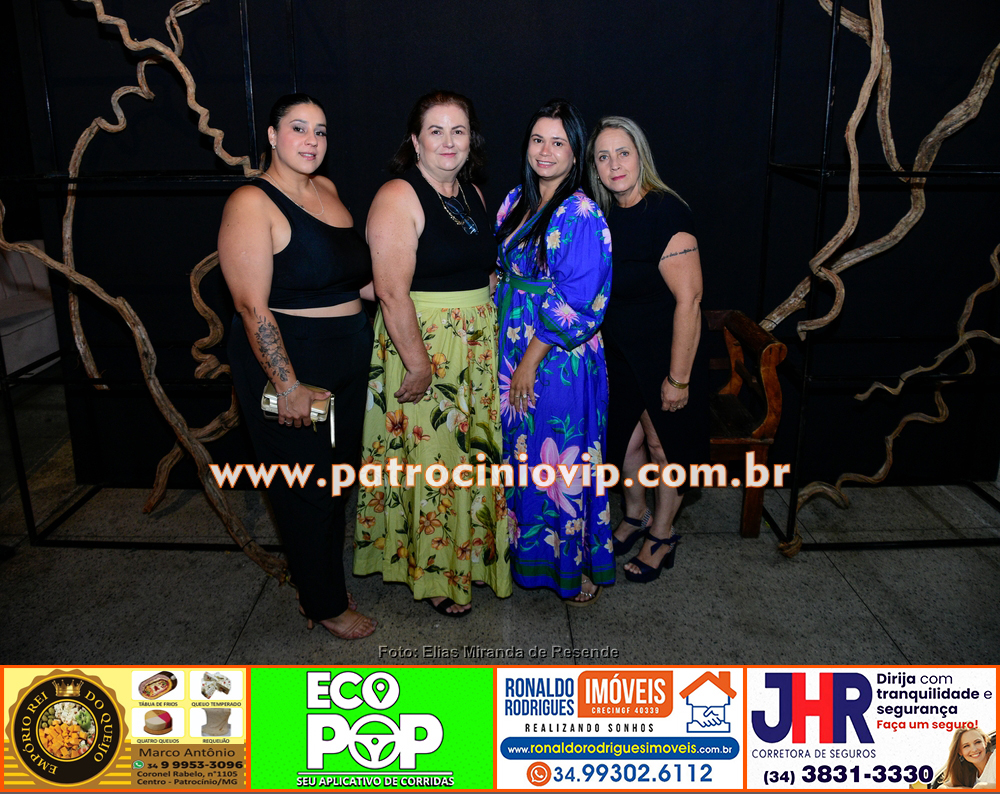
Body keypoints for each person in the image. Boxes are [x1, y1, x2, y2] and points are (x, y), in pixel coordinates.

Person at [219, 93, 377, 639]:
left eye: (321, 130)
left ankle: (320, 579)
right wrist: (286, 384)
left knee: (336, 480)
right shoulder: (251, 201)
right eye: (298, 128)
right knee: (304, 488)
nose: (312, 140)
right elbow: (250, 306)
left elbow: (355, 279)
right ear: (271, 135)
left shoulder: (327, 190)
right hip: (294, 359)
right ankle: (324, 603)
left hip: (348, 353)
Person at [354, 91, 510, 617]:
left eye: (458, 131)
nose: (448, 142)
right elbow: (389, 290)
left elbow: (480, 269)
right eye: (436, 131)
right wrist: (419, 364)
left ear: (471, 140)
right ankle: (435, 572)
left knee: (471, 457)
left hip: (473, 346)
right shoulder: (398, 195)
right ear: (415, 142)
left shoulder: (473, 194)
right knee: (433, 460)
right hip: (425, 346)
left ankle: (471, 555)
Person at [495, 99, 613, 605]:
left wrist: (529, 361)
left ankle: (573, 566)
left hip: (555, 357)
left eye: (558, 143)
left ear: (575, 153)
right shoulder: (515, 199)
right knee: (520, 455)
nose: (545, 151)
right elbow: (500, 269)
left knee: (559, 460)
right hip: (511, 349)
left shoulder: (580, 212)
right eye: (538, 139)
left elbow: (579, 298)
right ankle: (522, 556)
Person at [585, 115, 707, 583]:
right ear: (595, 168)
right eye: (603, 156)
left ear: (641, 157)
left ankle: (662, 533)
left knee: (661, 444)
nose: (614, 164)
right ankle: (635, 515)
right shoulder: (603, 215)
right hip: (620, 354)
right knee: (626, 444)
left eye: (623, 153)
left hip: (662, 353)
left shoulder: (667, 212)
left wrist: (678, 378)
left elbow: (689, 300)